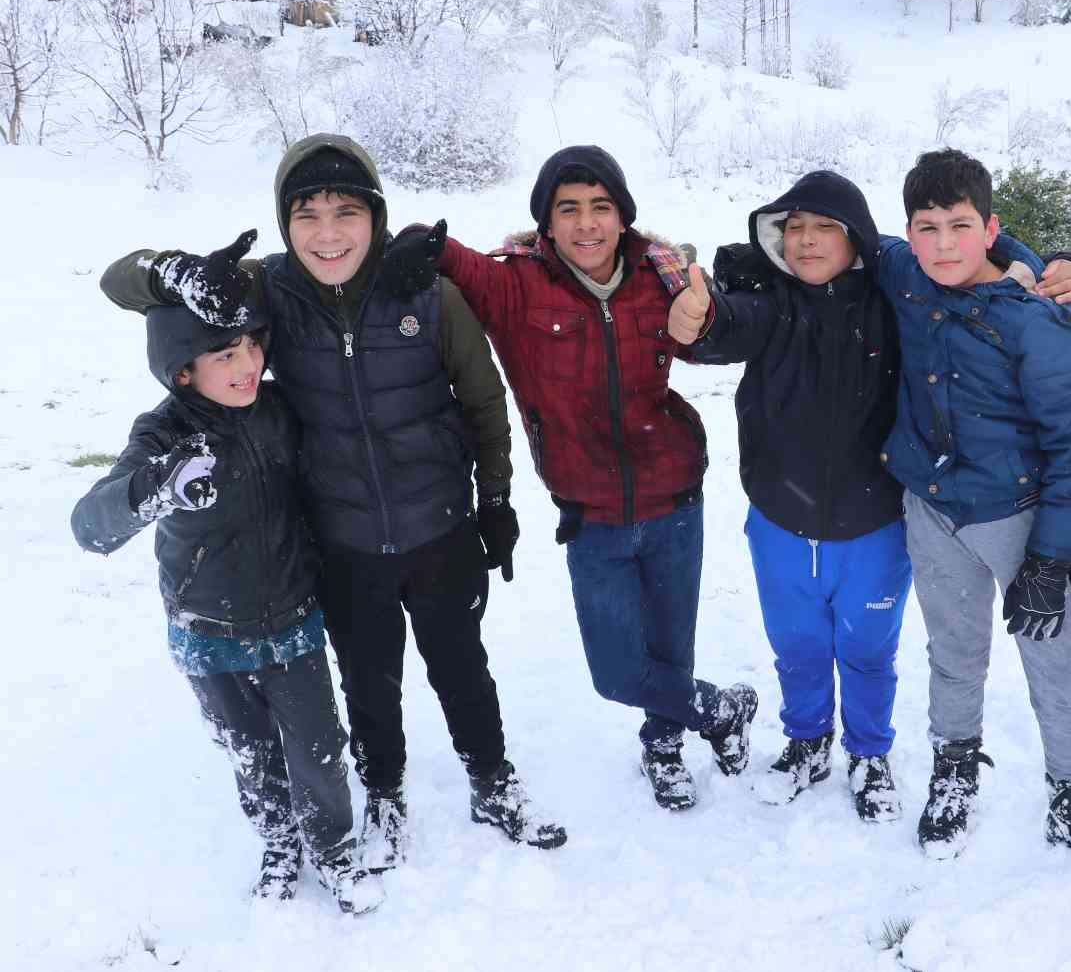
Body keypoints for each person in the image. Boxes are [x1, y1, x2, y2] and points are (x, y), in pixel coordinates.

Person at [97, 134, 565, 862]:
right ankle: (383, 789)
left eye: (346, 211)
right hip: (341, 542)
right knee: (368, 680)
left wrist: (495, 498)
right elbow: (118, 282)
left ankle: (491, 778)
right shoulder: (267, 294)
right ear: (285, 224)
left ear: (375, 215)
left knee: (461, 666)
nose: (328, 233)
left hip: (439, 528)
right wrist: (176, 273)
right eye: (306, 214)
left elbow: (483, 401)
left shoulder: (428, 292)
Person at [391, 145, 759, 812]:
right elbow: (451, 256)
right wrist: (419, 242)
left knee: (672, 648)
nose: (587, 225)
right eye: (569, 211)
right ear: (546, 225)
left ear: (622, 218)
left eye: (601, 208)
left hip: (675, 496)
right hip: (590, 512)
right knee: (617, 672)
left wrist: (706, 317)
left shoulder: (662, 275)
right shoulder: (516, 287)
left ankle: (664, 743)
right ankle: (721, 710)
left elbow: (714, 333)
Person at [70, 288, 382, 914]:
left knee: (317, 747)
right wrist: (159, 485)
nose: (246, 364)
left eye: (250, 346)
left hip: (291, 618)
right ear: (182, 369)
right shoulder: (162, 434)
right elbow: (91, 526)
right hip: (208, 632)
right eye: (223, 353)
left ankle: (334, 848)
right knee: (252, 751)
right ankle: (278, 842)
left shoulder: (277, 409)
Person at [873, 148, 1071, 864]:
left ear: (989, 228)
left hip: (1020, 517)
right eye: (927, 227)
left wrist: (1050, 558)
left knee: (1057, 663)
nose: (944, 244)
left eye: (961, 226)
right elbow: (827, 231)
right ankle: (954, 773)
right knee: (954, 653)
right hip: (932, 507)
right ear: (909, 230)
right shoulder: (904, 272)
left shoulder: (1038, 323)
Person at [665, 171, 911, 820]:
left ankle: (869, 753)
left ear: (855, 236)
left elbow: (971, 255)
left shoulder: (895, 303)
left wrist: (1050, 263)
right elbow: (728, 322)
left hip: (877, 525)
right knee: (798, 647)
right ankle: (808, 743)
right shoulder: (774, 302)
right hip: (780, 521)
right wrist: (699, 318)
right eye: (791, 230)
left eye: (821, 228)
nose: (803, 242)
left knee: (866, 651)